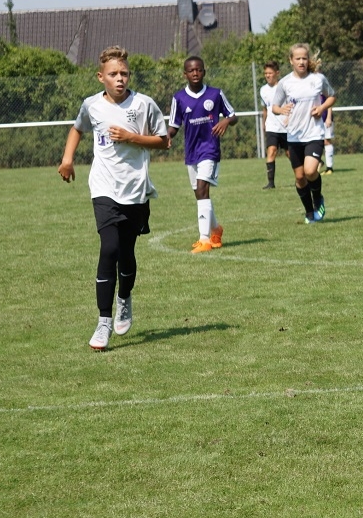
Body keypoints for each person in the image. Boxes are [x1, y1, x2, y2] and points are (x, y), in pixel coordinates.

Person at [57, 45, 169, 351]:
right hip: (103, 187)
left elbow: (164, 141)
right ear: (100, 77)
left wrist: (132, 137)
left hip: (135, 189)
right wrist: (67, 160)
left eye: (124, 73)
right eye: (113, 74)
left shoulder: (144, 104)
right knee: (109, 248)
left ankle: (124, 298)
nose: (120, 79)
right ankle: (103, 321)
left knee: (126, 252)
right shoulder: (91, 105)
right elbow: (77, 129)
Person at [167, 56, 238, 254]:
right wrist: (167, 137)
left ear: (204, 72)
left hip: (210, 149)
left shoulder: (215, 94)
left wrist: (226, 121)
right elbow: (174, 125)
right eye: (191, 70)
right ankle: (216, 230)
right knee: (200, 194)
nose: (195, 73)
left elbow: (233, 116)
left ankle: (204, 240)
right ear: (185, 74)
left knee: (202, 189)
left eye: (199, 69)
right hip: (192, 152)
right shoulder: (179, 98)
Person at [272, 43, 336, 224]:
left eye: (304, 58)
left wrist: (321, 108)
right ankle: (309, 212)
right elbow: (275, 107)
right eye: (298, 58)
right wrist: (281, 110)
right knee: (300, 178)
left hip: (314, 133)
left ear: (308, 60)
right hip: (294, 136)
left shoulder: (318, 79)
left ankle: (318, 198)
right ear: (291, 60)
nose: (301, 62)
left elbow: (332, 96)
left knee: (310, 171)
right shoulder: (285, 83)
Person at [259, 60, 289, 189]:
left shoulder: (284, 87)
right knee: (271, 151)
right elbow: (265, 108)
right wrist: (264, 123)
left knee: (290, 154)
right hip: (272, 127)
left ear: (277, 73)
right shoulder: (263, 90)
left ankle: (301, 177)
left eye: (270, 73)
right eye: (266, 73)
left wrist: (289, 118)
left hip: (286, 127)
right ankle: (271, 183)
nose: (267, 75)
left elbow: (292, 105)